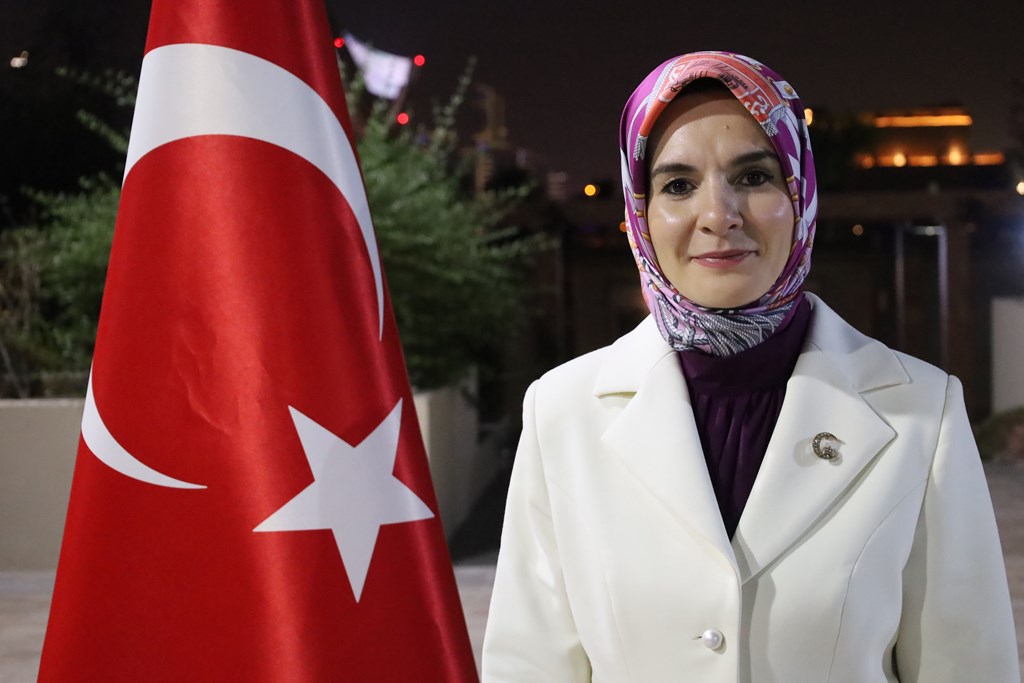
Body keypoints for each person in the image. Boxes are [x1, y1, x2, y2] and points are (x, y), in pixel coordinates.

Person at [481, 51, 1019, 682]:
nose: (719, 215)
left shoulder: (924, 411)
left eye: (755, 176)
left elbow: (969, 667)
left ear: (800, 194)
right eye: (678, 186)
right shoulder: (561, 412)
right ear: (640, 213)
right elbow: (529, 666)